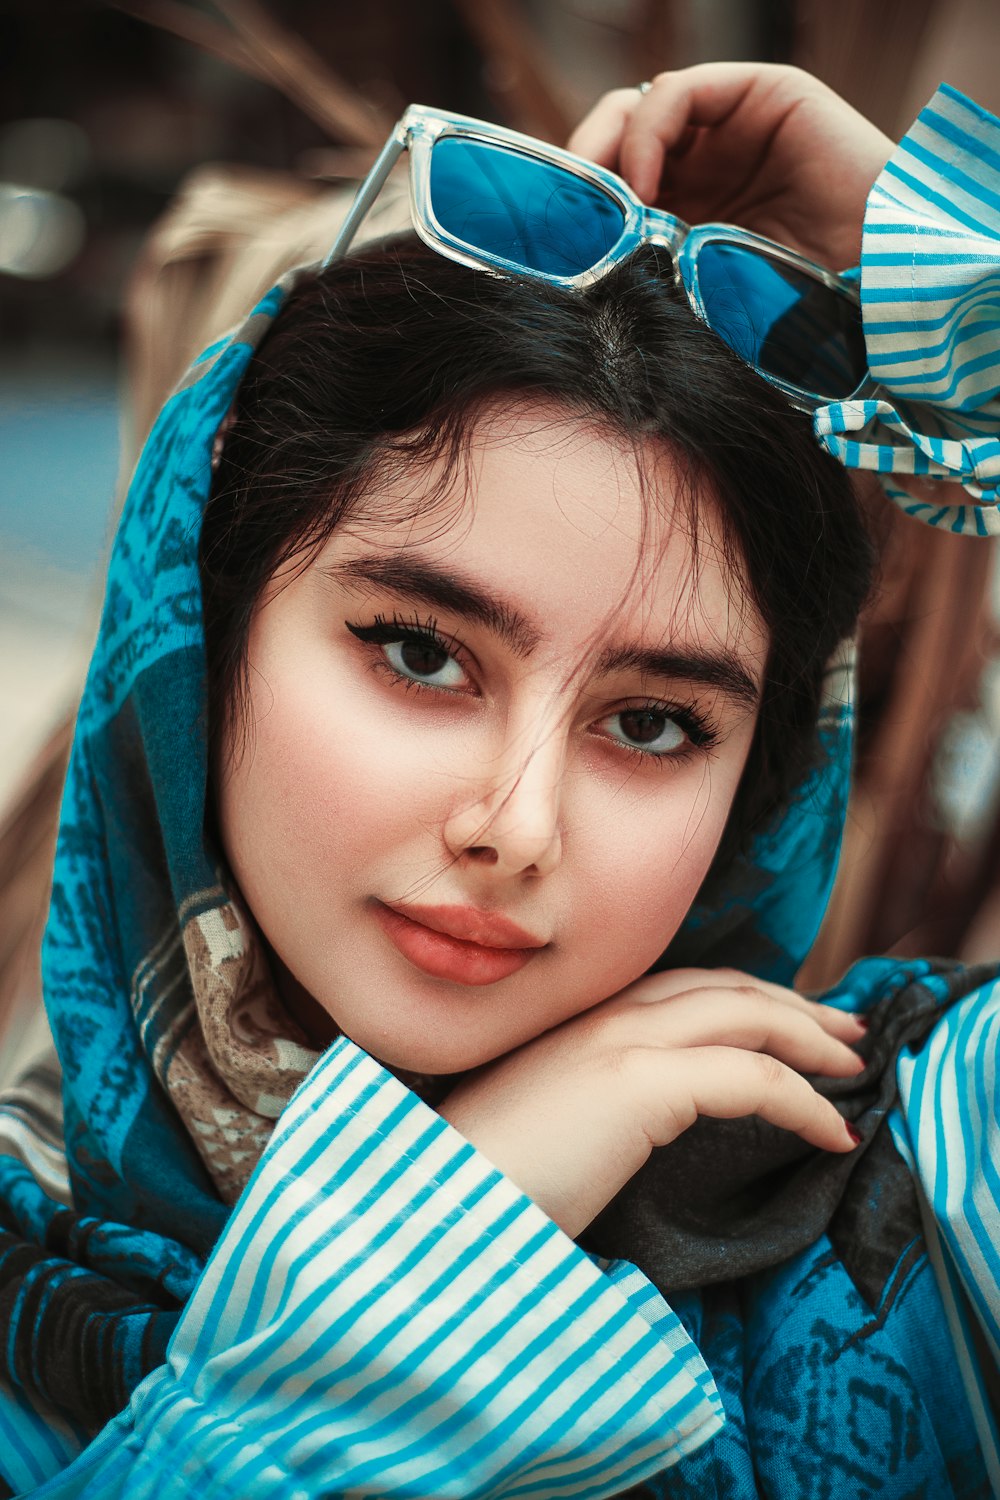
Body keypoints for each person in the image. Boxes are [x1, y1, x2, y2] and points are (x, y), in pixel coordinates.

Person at [0, 61, 997, 1499]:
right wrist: (437, 1252)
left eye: (654, 726)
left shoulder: (912, 1193)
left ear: (761, 783)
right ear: (203, 639)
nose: (514, 827)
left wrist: (961, 302)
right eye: (419, 653)